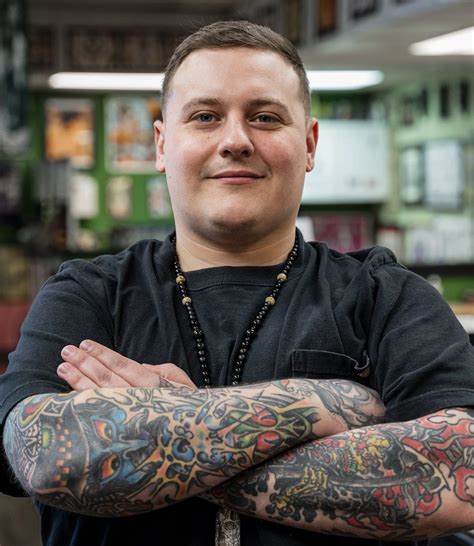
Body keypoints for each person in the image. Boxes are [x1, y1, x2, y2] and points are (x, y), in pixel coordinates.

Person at [1, 20, 473, 546]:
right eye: (205, 117)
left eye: (265, 117)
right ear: (162, 144)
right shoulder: (87, 296)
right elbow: (45, 456)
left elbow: (458, 476)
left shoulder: (387, 297)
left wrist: (157, 432)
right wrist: (323, 402)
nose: (235, 141)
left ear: (309, 144)